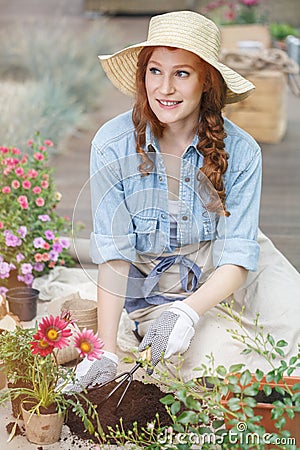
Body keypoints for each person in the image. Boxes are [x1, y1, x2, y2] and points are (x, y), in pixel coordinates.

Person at [63, 10, 300, 393]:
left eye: (182, 74)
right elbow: (114, 252)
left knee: (295, 323)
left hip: (228, 265)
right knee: (218, 366)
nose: (165, 88)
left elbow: (238, 255)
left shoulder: (242, 151)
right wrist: (105, 350)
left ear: (207, 82)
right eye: (155, 71)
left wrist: (189, 311)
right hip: (161, 280)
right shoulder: (112, 145)